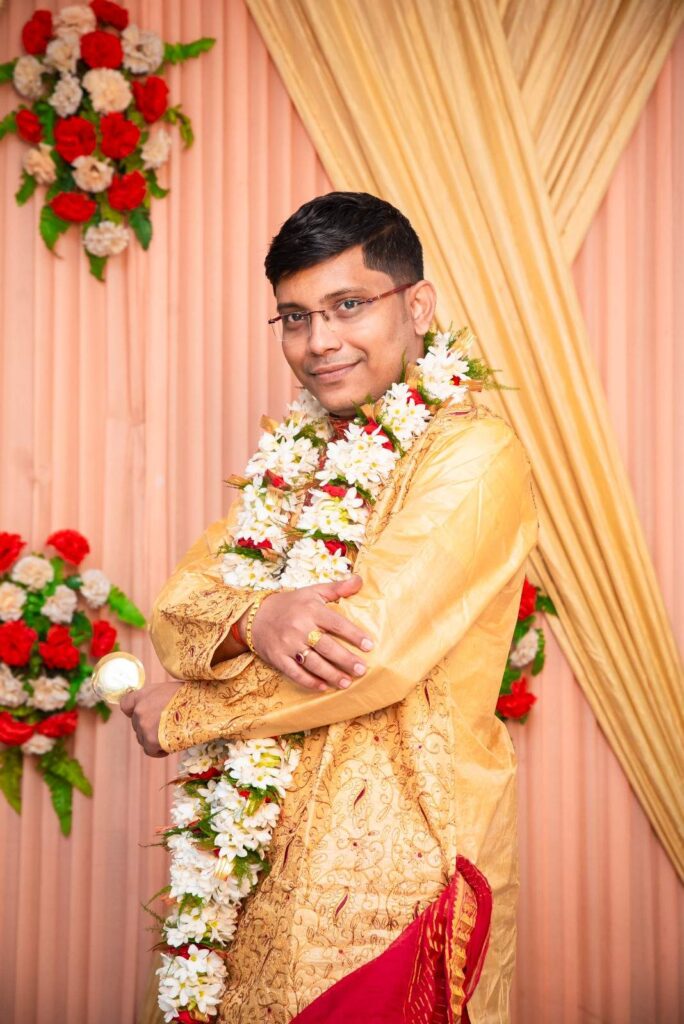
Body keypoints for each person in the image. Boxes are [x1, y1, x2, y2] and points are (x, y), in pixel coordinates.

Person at [122, 192, 538, 1023]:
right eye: (294, 317)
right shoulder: (297, 459)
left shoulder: (474, 455)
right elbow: (180, 608)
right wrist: (255, 617)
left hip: (398, 882)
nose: (319, 342)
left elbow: (366, 650)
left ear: (415, 304)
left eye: (349, 305)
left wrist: (186, 712)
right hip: (262, 861)